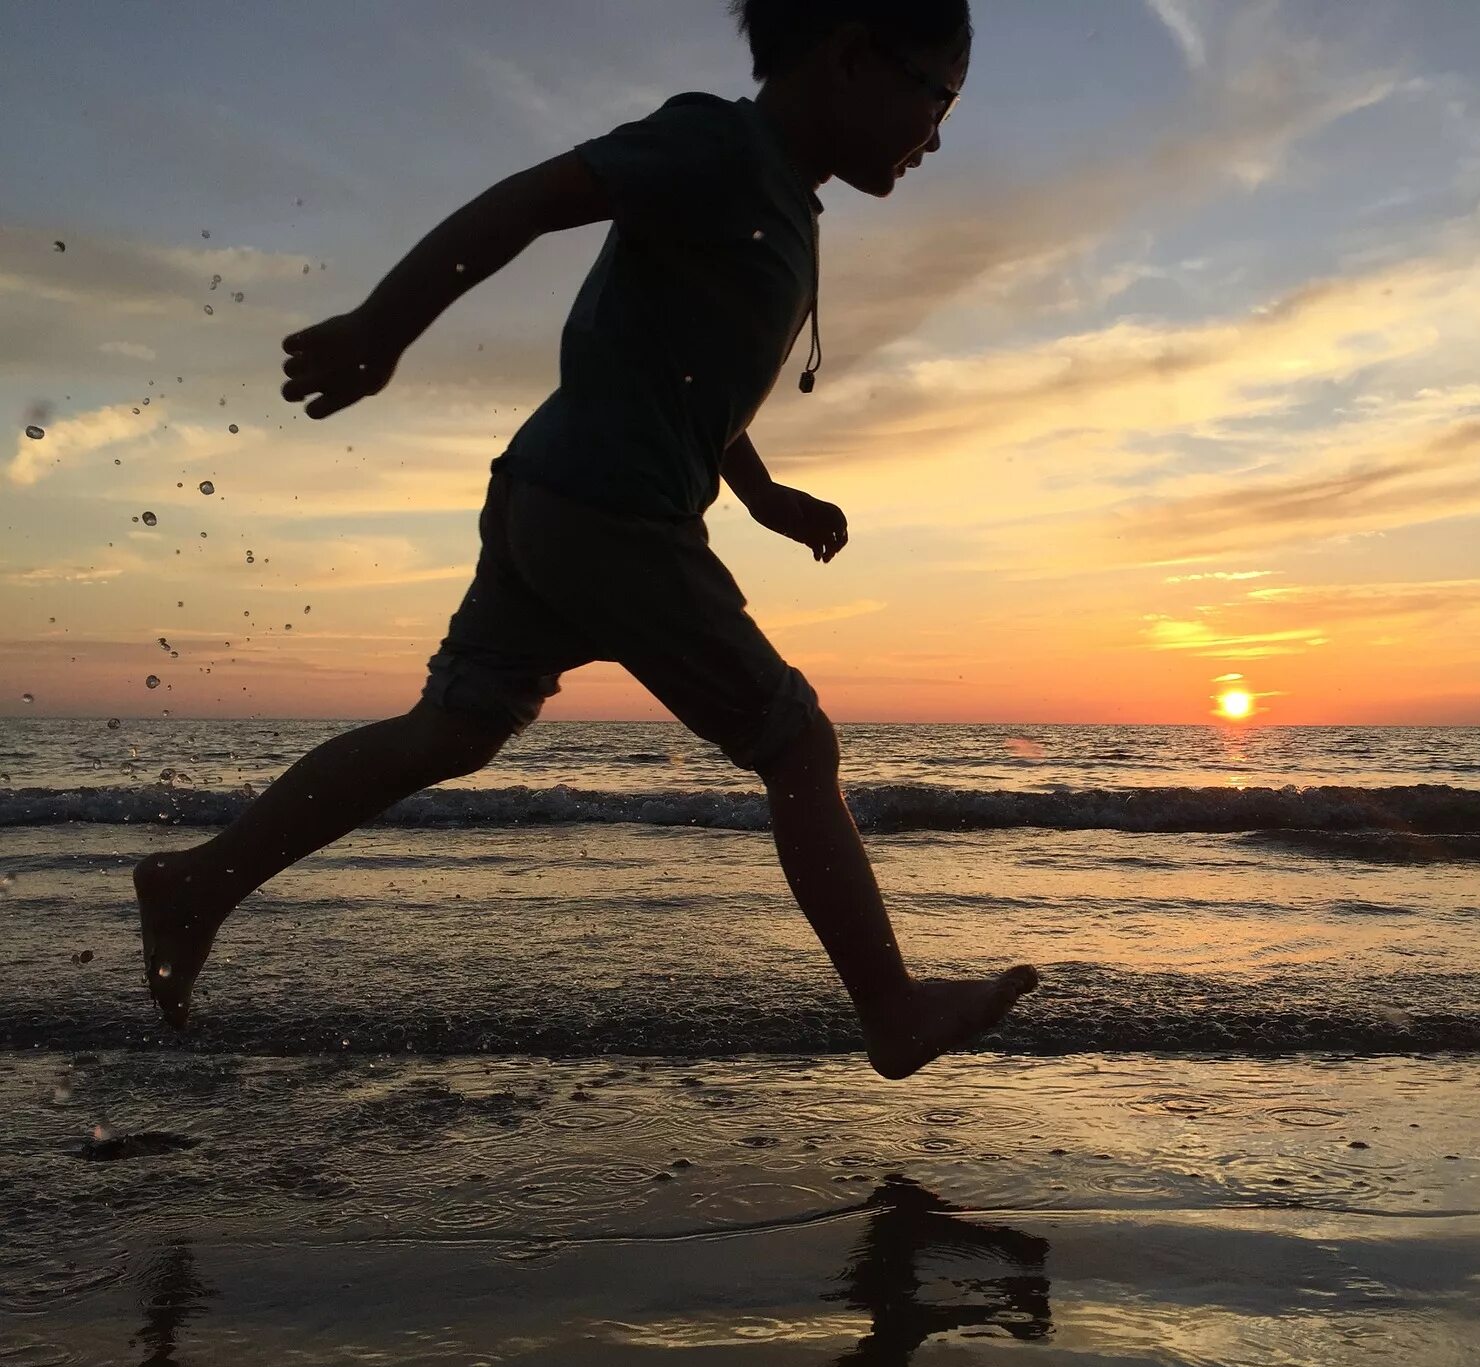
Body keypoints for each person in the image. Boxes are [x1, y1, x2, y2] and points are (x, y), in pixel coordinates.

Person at [133, 0, 1036, 1080]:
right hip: (612, 515)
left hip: (552, 498)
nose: (936, 137)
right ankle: (890, 1007)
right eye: (936, 100)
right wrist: (384, 328)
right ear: (848, 56)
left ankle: (200, 882)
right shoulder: (718, 145)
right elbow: (534, 199)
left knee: (454, 730)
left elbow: (684, 380)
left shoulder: (776, 200)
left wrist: (758, 494)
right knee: (797, 747)